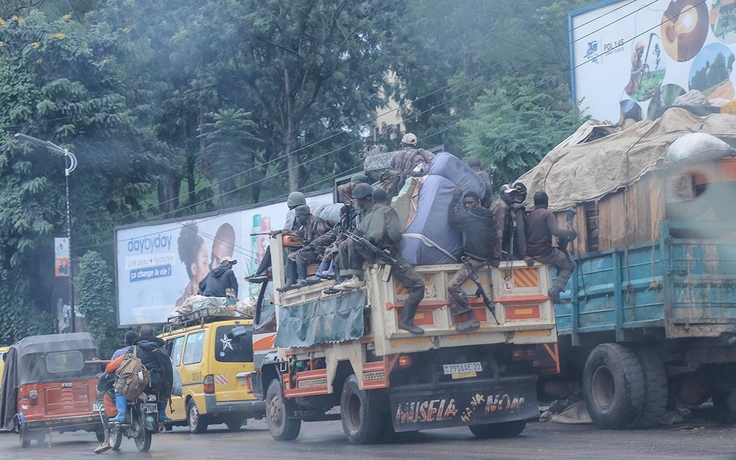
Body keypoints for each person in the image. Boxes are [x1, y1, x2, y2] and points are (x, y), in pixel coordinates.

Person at [334, 189, 425, 335]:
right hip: (391, 256)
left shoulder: (369, 216)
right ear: (387, 199)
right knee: (418, 286)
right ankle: (406, 321)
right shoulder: (388, 211)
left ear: (373, 201)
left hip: (378, 258)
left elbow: (356, 237)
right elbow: (395, 235)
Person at [447, 187, 495, 332]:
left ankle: (473, 319)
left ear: (478, 202)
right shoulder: (483, 214)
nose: (468, 206)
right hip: (478, 256)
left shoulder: (477, 214)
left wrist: (456, 197)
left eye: (470, 203)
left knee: (452, 286)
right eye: (465, 204)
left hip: (476, 259)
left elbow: (452, 218)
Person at [526, 191, 577, 303]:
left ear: (535, 202)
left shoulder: (529, 216)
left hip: (531, 252)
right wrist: (569, 232)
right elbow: (556, 231)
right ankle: (556, 289)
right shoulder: (547, 214)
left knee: (559, 256)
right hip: (545, 253)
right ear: (546, 202)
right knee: (568, 264)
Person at [95, 331, 139, 453]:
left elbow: (109, 370)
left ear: (126, 342)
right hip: (144, 386)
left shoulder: (120, 353)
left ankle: (106, 440)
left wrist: (101, 379)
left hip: (124, 387)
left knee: (108, 397)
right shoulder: (146, 351)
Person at [248, 191, 306, 281]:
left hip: (296, 240)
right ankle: (264, 271)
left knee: (271, 248)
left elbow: (288, 228)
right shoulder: (305, 210)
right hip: (302, 239)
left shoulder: (292, 212)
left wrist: (277, 232)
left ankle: (261, 272)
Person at [277, 205, 330, 291]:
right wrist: (281, 231)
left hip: (320, 251)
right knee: (291, 256)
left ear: (305, 215)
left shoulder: (316, 221)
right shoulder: (305, 225)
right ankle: (290, 281)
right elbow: (295, 233)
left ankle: (302, 279)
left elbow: (320, 240)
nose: (298, 219)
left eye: (298, 217)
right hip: (309, 250)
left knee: (300, 255)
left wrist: (306, 248)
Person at [133, 325, 174, 423]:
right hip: (157, 383)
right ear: (153, 335)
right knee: (163, 389)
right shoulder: (161, 349)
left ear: (140, 335)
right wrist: (169, 387)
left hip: (139, 383)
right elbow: (169, 369)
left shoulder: (134, 350)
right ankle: (162, 413)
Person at [489, 183, 533, 267]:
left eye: (514, 194)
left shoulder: (501, 204)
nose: (513, 196)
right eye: (510, 194)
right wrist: (496, 256)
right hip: (497, 251)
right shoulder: (502, 207)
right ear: (502, 194)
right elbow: (499, 232)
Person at [176, 222, 209, 307]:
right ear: (194, 268)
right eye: (204, 262)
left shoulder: (210, 297)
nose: (208, 270)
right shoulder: (180, 305)